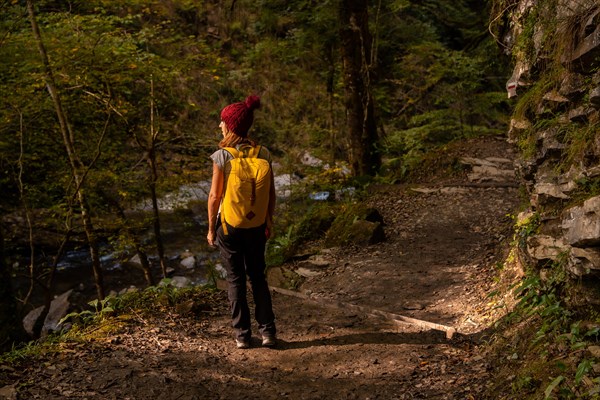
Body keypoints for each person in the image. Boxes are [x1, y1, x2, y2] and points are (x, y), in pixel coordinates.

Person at [206, 95, 277, 349]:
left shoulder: (222, 157)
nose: (220, 125)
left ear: (232, 126)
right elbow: (271, 194)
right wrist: (268, 220)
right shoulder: (264, 153)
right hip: (257, 226)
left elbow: (215, 196)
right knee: (258, 277)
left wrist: (211, 229)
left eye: (223, 121)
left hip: (229, 227)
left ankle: (243, 336)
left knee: (235, 279)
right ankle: (268, 332)